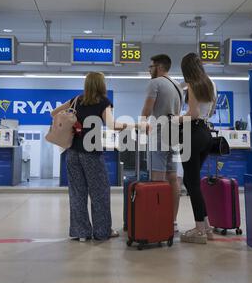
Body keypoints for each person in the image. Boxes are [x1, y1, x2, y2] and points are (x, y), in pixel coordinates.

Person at [51, 72, 143, 241]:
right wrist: (136, 124)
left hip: (72, 152)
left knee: (77, 193)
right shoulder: (103, 102)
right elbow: (112, 125)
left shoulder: (76, 100)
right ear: (101, 85)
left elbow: (54, 113)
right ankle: (102, 231)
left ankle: (80, 232)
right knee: (99, 192)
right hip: (91, 154)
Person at [176, 52, 217, 244]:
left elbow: (192, 114)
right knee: (193, 181)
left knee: (191, 183)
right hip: (206, 134)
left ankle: (199, 228)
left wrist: (172, 119)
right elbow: (207, 112)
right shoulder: (211, 84)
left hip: (192, 134)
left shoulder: (192, 85)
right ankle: (207, 226)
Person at [141, 54, 182, 232]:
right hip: (176, 133)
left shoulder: (155, 83)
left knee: (156, 178)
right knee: (173, 178)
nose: (149, 70)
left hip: (159, 132)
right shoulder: (178, 85)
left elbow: (147, 110)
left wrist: (142, 123)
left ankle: (156, 220)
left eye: (150, 67)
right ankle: (172, 221)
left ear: (158, 67)